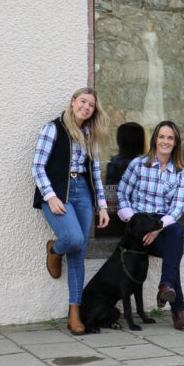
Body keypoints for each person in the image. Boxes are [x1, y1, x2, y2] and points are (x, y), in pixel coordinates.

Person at [31, 87, 110, 335]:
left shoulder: (90, 135)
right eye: (82, 101)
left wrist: (103, 205)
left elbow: (95, 172)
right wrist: (50, 196)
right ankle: (54, 250)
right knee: (74, 240)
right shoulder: (53, 128)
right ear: (73, 102)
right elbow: (37, 166)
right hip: (58, 193)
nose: (86, 107)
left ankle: (74, 311)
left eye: (91, 105)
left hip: (83, 193)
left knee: (79, 251)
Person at [117, 120, 184, 331]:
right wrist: (133, 220)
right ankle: (177, 309)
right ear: (155, 139)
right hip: (138, 226)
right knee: (173, 257)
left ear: (175, 142)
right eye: (161, 137)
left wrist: (157, 229)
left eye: (170, 138)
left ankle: (165, 287)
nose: (165, 141)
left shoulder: (180, 172)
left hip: (161, 226)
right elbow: (122, 192)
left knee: (175, 232)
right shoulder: (139, 164)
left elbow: (177, 209)